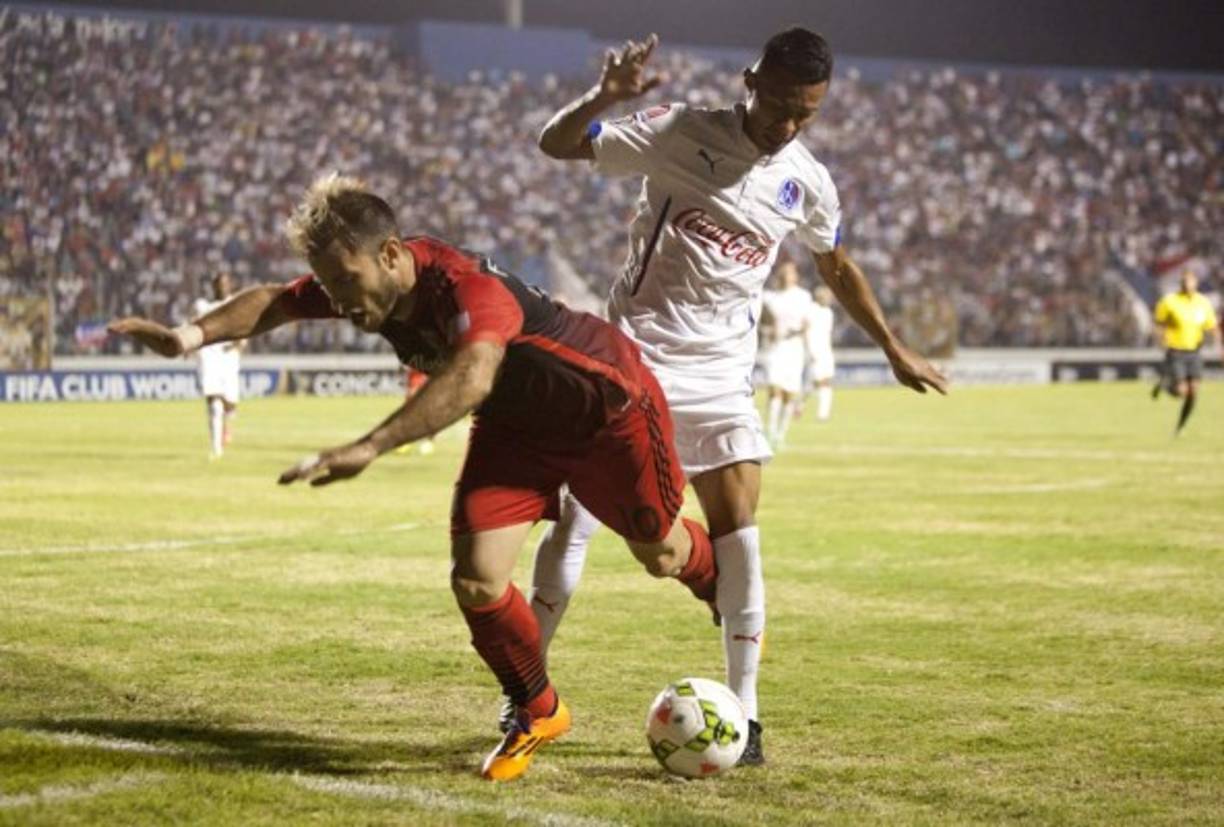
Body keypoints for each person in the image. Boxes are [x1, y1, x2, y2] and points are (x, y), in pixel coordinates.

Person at [108, 173, 723, 782]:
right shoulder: (364, 282)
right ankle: (539, 708)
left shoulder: (467, 288)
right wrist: (185, 337)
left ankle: (723, 585)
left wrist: (373, 445)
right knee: (478, 581)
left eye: (345, 281)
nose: (340, 301)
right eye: (329, 283)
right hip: (515, 429)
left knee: (661, 552)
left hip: (606, 414)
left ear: (391, 254)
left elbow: (472, 377)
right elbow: (276, 300)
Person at [533, 28, 948, 764]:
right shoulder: (682, 130)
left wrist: (891, 344)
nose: (787, 125)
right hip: (637, 355)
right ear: (751, 79)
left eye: (807, 113)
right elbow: (558, 144)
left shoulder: (808, 182)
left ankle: (746, 715)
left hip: (722, 374)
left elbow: (836, 262)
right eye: (781, 104)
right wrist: (604, 97)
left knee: (741, 528)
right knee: (577, 518)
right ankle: (526, 691)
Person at [1151, 269, 1220, 434]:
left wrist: (1218, 345)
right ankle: (1166, 383)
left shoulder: (1203, 303)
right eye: (1184, 281)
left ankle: (1180, 427)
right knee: (1182, 391)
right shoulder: (1170, 301)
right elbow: (1159, 323)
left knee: (1193, 391)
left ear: (1196, 283)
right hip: (1176, 351)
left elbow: (1212, 327)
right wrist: (1160, 339)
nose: (1187, 284)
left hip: (1194, 352)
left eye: (1190, 281)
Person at [760, 260, 813, 448]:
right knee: (774, 390)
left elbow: (806, 325)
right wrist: (767, 331)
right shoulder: (769, 297)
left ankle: (781, 434)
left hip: (795, 348)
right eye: (783, 272)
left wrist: (808, 349)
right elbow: (760, 323)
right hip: (774, 348)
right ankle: (769, 432)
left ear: (795, 276)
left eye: (789, 272)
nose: (785, 275)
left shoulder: (803, 297)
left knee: (789, 395)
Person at [194, 272, 243, 458]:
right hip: (210, 357)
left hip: (230, 358)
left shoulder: (236, 304)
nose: (223, 287)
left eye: (226, 283)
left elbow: (243, 330)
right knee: (214, 404)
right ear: (214, 286)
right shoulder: (203, 307)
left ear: (230, 285)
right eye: (220, 284)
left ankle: (227, 424)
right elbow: (194, 326)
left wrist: (240, 343)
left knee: (229, 405)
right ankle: (216, 450)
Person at [804, 285, 837, 421]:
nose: (830, 298)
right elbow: (806, 330)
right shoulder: (811, 309)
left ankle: (822, 413)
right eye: (827, 295)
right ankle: (803, 404)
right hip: (814, 350)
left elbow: (827, 334)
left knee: (825, 381)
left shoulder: (828, 312)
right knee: (818, 381)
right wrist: (810, 350)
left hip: (826, 350)